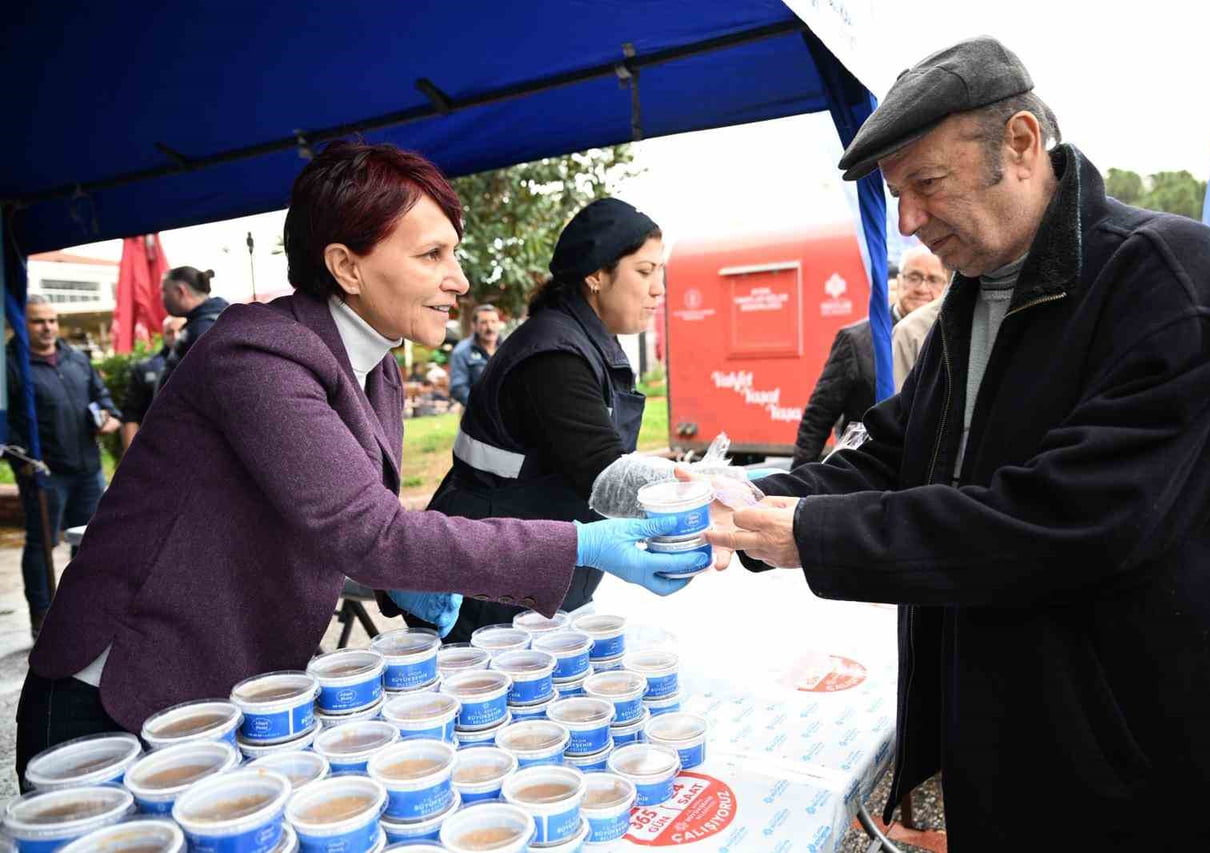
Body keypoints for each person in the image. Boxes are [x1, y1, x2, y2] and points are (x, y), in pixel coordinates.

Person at [703, 37, 1210, 852]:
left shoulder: (1168, 280)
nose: (907, 222)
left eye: (925, 185)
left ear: (1019, 142)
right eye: (894, 195)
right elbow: (898, 447)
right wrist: (757, 505)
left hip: (1142, 762)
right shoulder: (973, 300)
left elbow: (1069, 518)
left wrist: (814, 535)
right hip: (1017, 738)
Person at [15, 142, 708, 784]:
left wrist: (400, 578)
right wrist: (585, 542)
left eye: (454, 254)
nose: (459, 279)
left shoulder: (376, 369)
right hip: (117, 692)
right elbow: (368, 529)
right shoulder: (256, 355)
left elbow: (322, 518)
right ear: (346, 264)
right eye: (432, 255)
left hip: (218, 693)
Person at [389, 198, 665, 642]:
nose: (658, 289)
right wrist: (697, 493)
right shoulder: (554, 353)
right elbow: (605, 473)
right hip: (491, 578)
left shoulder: (585, 342)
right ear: (596, 275)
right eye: (645, 271)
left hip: (538, 563)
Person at [5, 296, 121, 639]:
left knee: (88, 543)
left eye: (52, 321)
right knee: (41, 546)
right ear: (20, 326)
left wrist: (107, 416)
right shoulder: (12, 364)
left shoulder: (75, 358)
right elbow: (5, 423)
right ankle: (42, 617)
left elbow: (102, 398)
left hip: (86, 468)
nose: (48, 328)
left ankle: (83, 612)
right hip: (44, 473)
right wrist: (22, 460)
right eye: (38, 321)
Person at [792, 246, 946, 465]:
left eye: (933, 280)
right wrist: (797, 481)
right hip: (864, 468)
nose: (922, 288)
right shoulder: (855, 340)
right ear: (899, 281)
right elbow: (819, 415)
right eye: (914, 277)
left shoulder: (949, 341)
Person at [120, 316, 185, 451]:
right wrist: (131, 459)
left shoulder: (206, 361)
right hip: (159, 449)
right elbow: (130, 415)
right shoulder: (145, 368)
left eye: (181, 330)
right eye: (170, 332)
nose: (176, 336)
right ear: (163, 335)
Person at [159, 266, 227, 382]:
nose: (162, 298)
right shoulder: (218, 321)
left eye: (164, 290)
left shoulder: (202, 331)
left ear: (180, 291)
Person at [449, 303, 503, 405]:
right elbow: (458, 388)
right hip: (475, 415)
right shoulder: (462, 351)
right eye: (484, 322)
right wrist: (482, 406)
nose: (490, 327)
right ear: (474, 326)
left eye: (493, 322)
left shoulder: (507, 348)